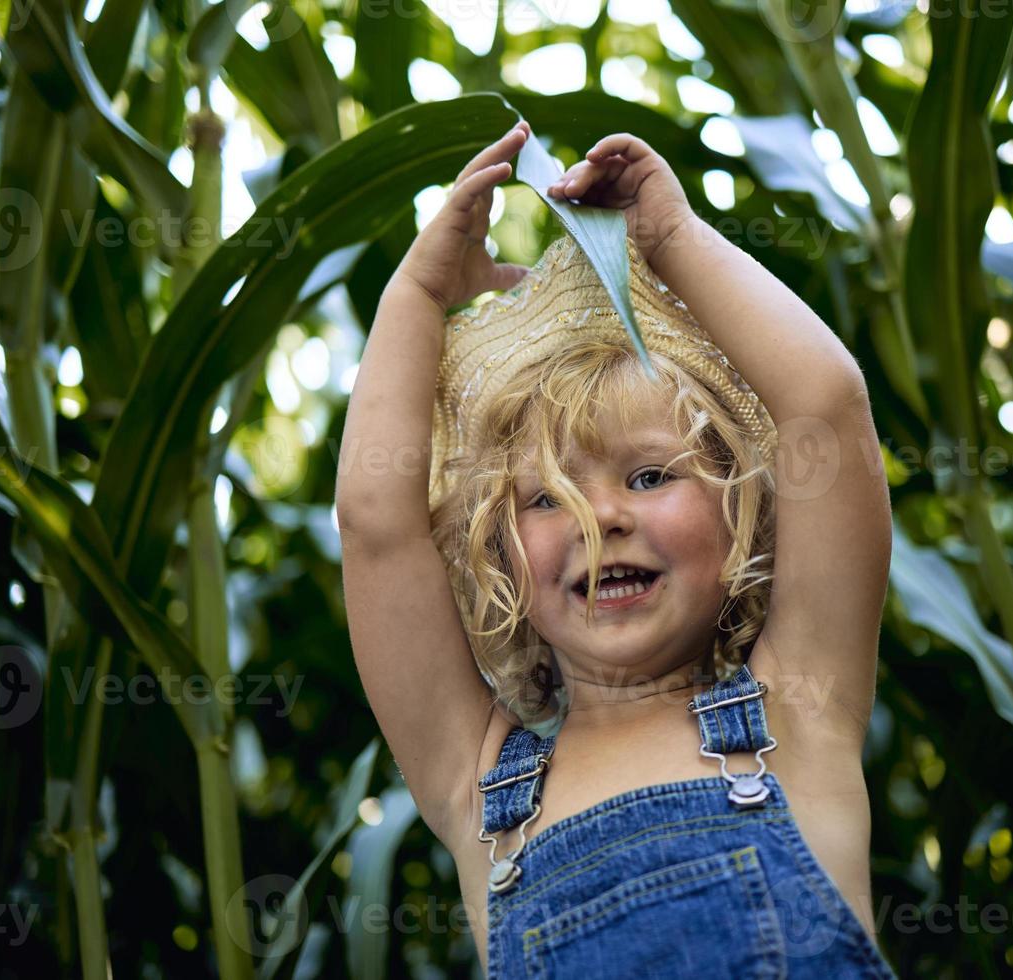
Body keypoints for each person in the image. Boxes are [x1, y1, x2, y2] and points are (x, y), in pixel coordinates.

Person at [337, 119, 895, 977]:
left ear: (738, 512)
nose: (601, 518)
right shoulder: (475, 782)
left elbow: (825, 404)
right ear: (502, 559)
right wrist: (416, 293)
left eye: (648, 478)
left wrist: (670, 239)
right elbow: (377, 527)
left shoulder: (800, 710)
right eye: (548, 499)